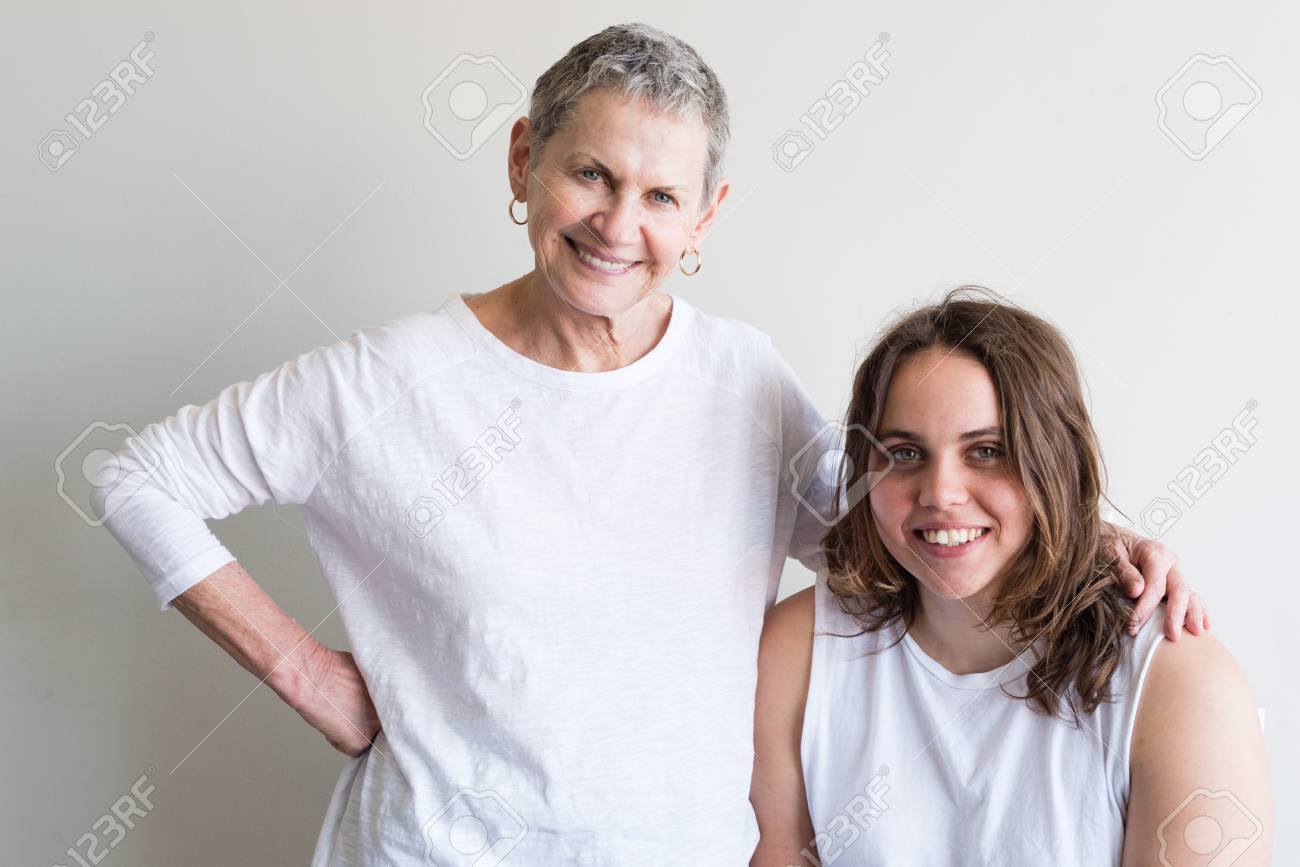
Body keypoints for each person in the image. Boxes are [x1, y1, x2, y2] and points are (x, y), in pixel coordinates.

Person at [91, 25, 1196, 864]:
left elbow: (904, 524)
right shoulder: (385, 381)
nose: (619, 226)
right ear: (524, 160)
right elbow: (137, 479)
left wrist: (1096, 539)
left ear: (704, 218)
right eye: (591, 174)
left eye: (661, 194)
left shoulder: (743, 381)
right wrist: (305, 672)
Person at [749, 287, 1268, 866]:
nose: (940, 493)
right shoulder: (799, 651)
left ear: (1055, 462)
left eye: (988, 451)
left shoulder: (1178, 678)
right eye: (905, 453)